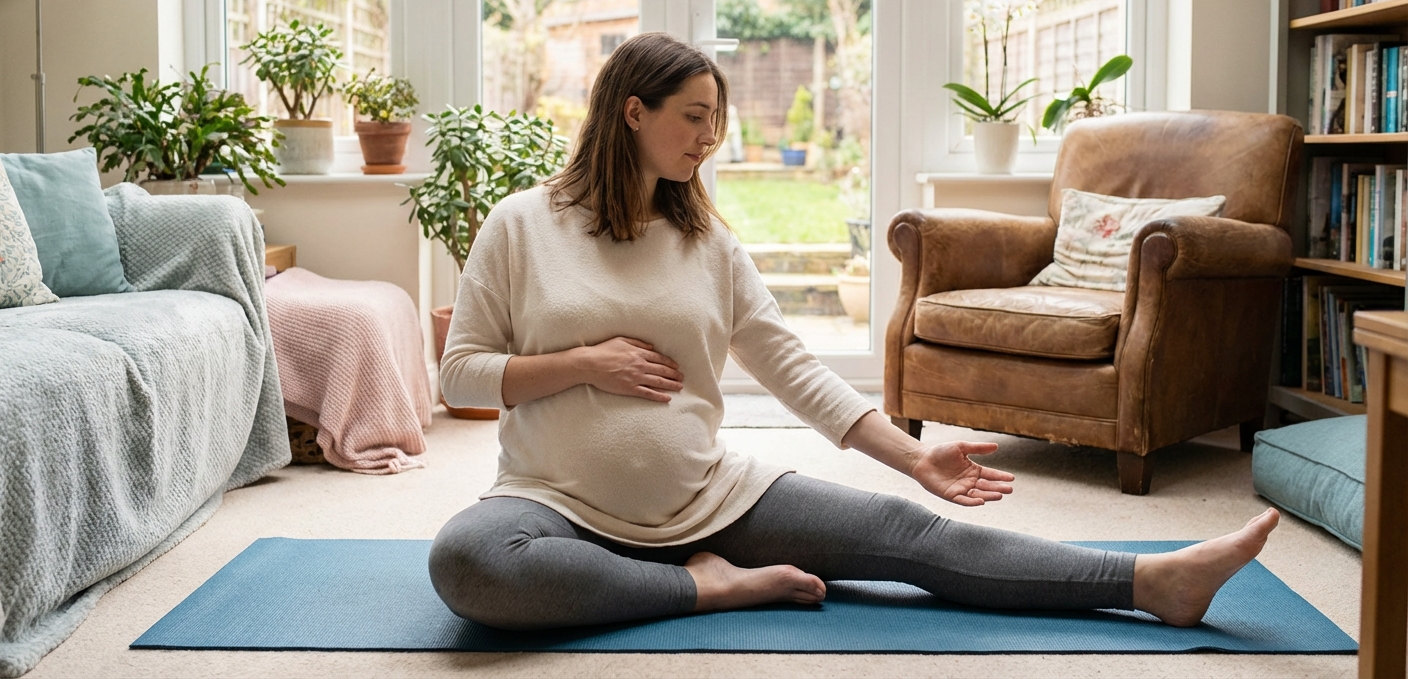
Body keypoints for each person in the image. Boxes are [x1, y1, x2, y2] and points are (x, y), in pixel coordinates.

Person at [431, 32, 1280, 631]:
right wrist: (582, 364)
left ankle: (1150, 582)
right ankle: (706, 591)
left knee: (913, 537)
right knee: (468, 561)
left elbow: (790, 366)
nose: (709, 136)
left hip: (709, 499)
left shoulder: (706, 241)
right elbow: (459, 375)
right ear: (629, 111)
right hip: (553, 506)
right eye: (692, 116)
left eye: (714, 119)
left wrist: (915, 458)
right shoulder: (521, 225)